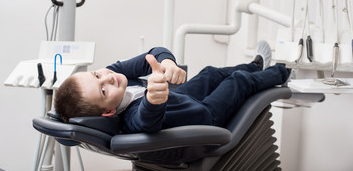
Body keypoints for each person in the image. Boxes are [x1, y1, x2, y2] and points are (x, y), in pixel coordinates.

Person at [54, 41, 290, 134]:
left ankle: (256, 66)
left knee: (210, 72)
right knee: (238, 80)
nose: (107, 79)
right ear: (108, 112)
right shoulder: (131, 118)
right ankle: (284, 71)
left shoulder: (114, 73)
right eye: (103, 91)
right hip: (204, 115)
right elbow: (147, 118)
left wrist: (167, 63)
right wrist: (153, 99)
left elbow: (153, 54)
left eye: (97, 74)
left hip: (182, 98)